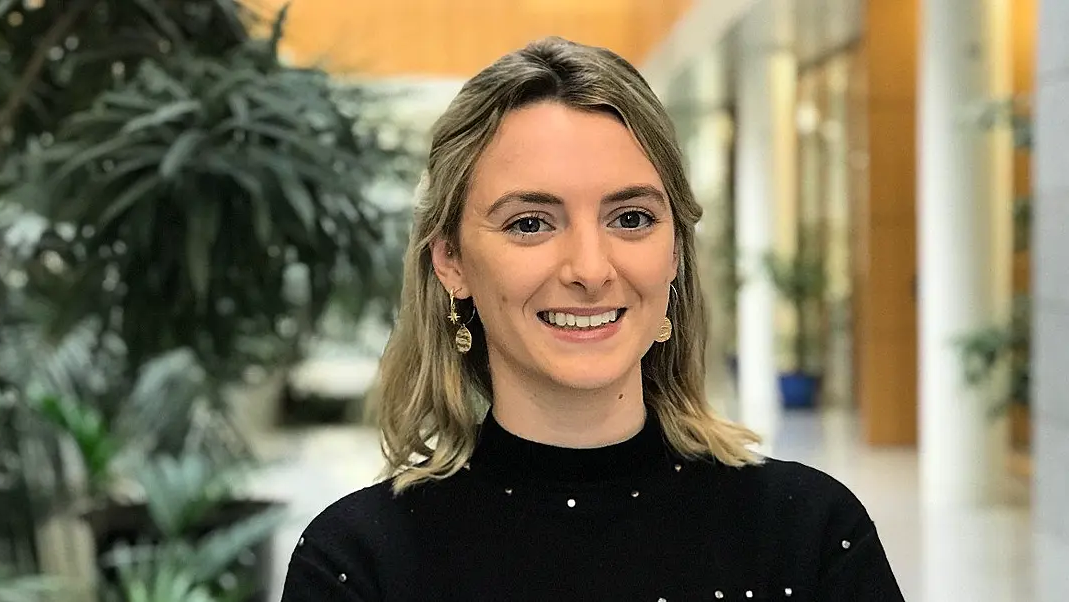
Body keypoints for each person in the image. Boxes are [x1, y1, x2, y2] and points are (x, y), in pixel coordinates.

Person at [280, 36, 905, 601]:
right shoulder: (356, 565)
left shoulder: (809, 534)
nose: (590, 268)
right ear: (451, 262)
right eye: (531, 223)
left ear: (675, 256)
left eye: (630, 218)